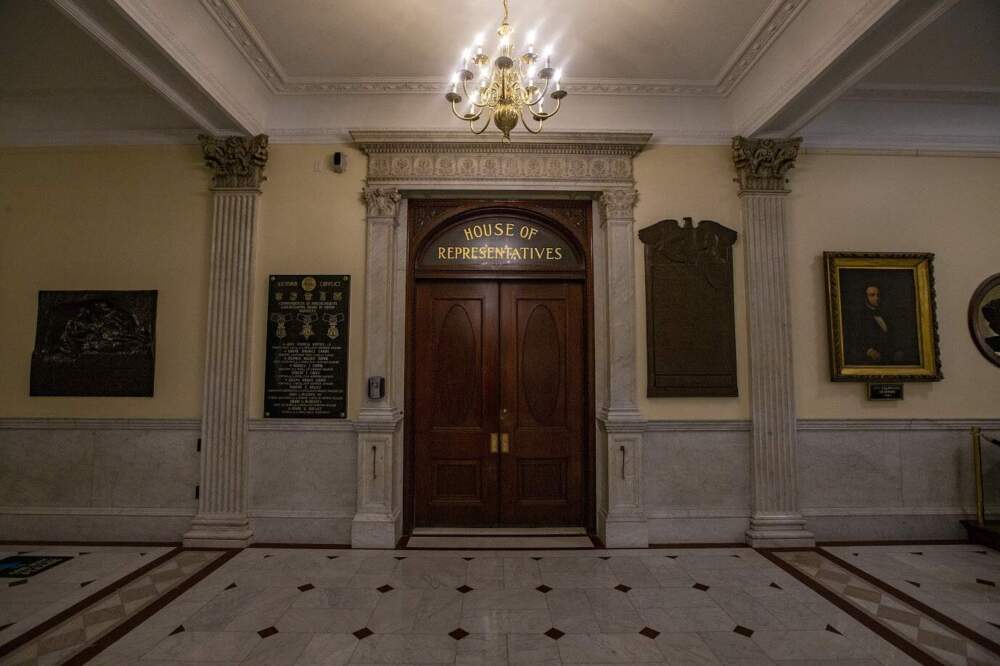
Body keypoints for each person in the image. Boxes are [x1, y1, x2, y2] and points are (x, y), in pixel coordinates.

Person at [850, 285, 906, 365]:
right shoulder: (859, 317)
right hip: (870, 362)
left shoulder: (886, 314)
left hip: (890, 359)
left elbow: (894, 336)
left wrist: (899, 350)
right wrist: (868, 351)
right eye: (872, 295)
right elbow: (854, 342)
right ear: (865, 298)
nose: (877, 298)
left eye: (878, 295)